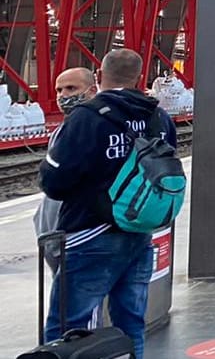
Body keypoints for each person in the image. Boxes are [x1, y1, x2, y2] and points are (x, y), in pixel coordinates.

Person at [37, 48, 178, 358]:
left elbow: (54, 183)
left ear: (99, 76)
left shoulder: (86, 118)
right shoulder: (158, 117)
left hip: (90, 233)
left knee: (69, 328)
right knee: (131, 323)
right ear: (139, 77)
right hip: (140, 233)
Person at [35, 68, 98, 271]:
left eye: (71, 88)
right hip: (58, 232)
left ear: (92, 90)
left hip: (78, 233)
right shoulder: (61, 131)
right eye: (59, 90)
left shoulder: (98, 127)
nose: (63, 96)